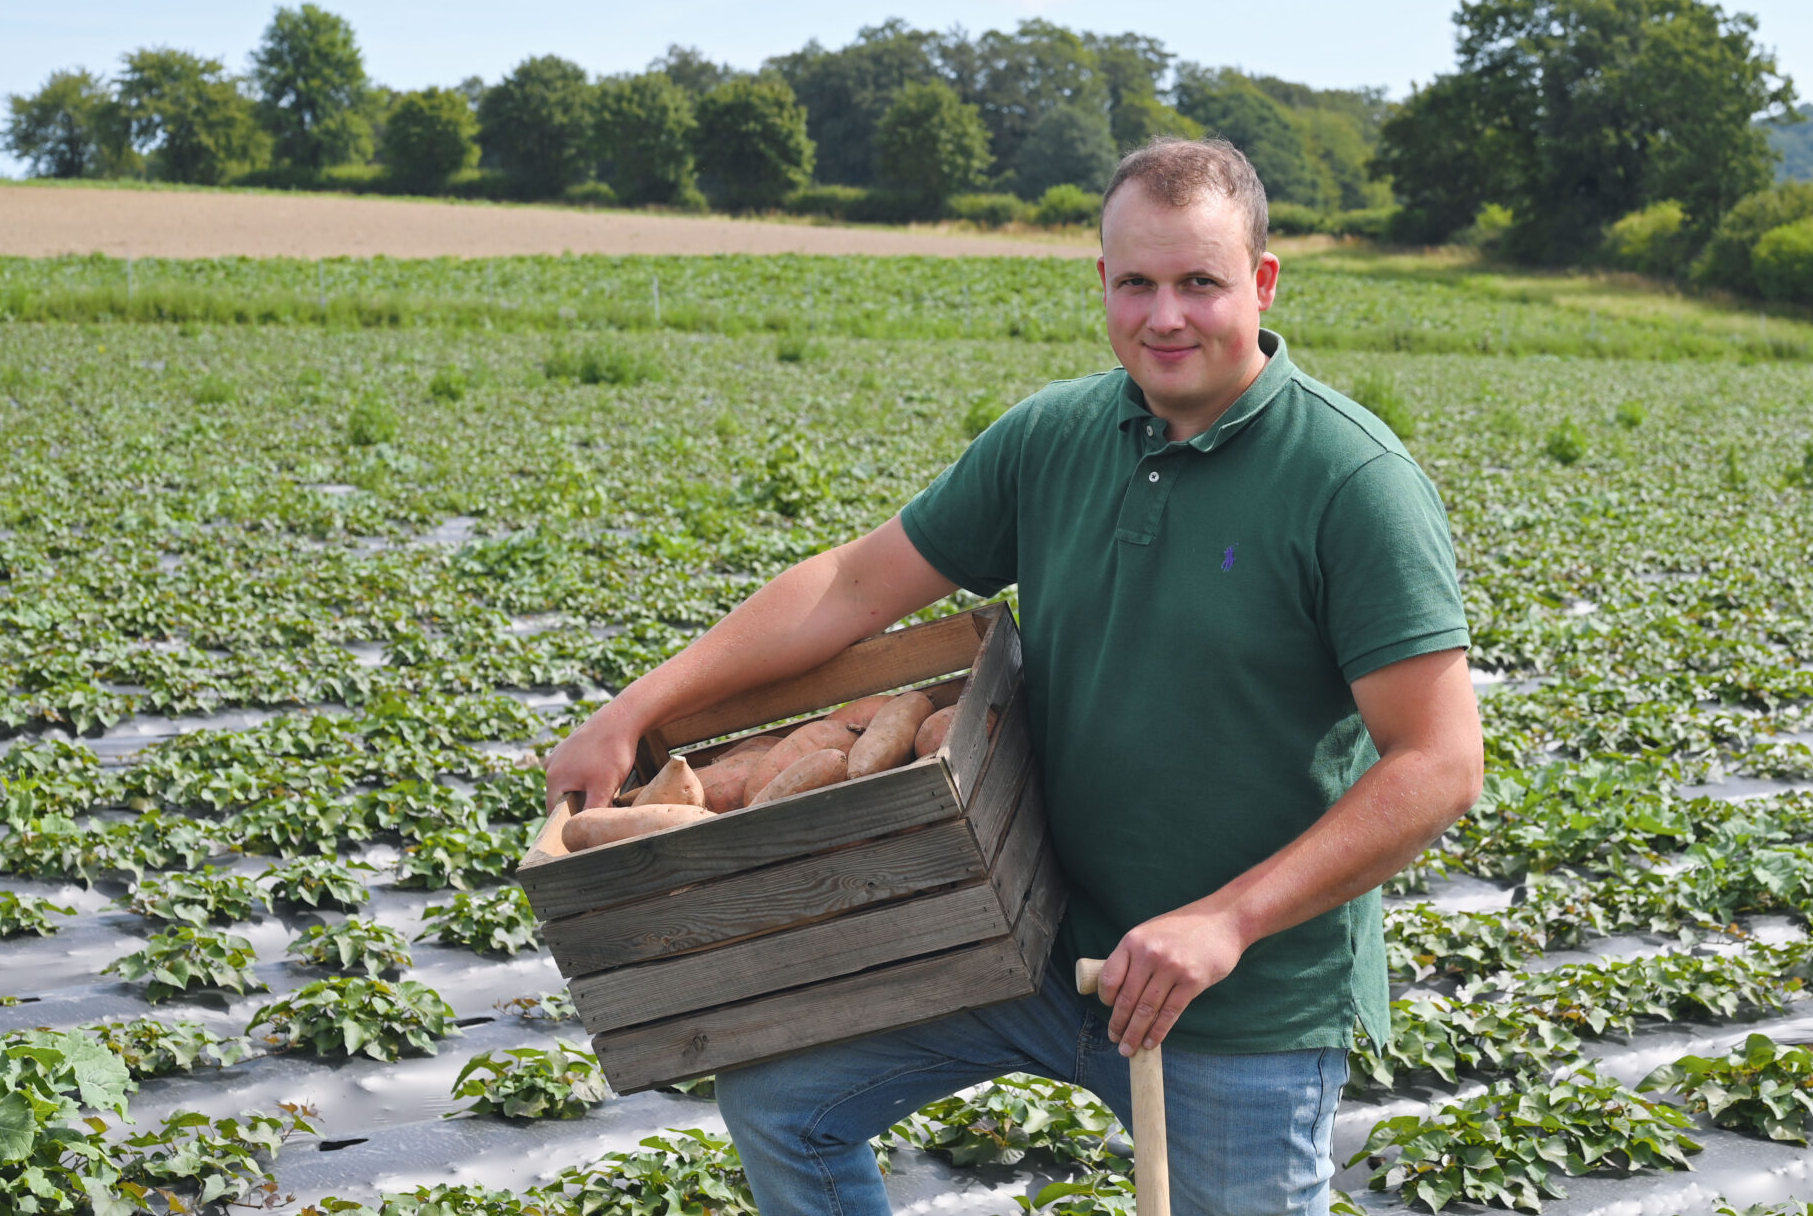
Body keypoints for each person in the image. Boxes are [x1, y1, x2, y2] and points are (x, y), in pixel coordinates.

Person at [544, 137, 1484, 1216]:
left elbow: (1441, 759)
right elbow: (854, 583)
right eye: (1136, 282)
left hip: (1236, 1001)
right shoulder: (1056, 438)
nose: (1164, 315)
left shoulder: (1351, 482)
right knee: (783, 1102)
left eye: (1198, 282)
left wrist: (1223, 921)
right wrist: (638, 708)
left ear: (1261, 281)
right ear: (1101, 282)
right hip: (1029, 945)